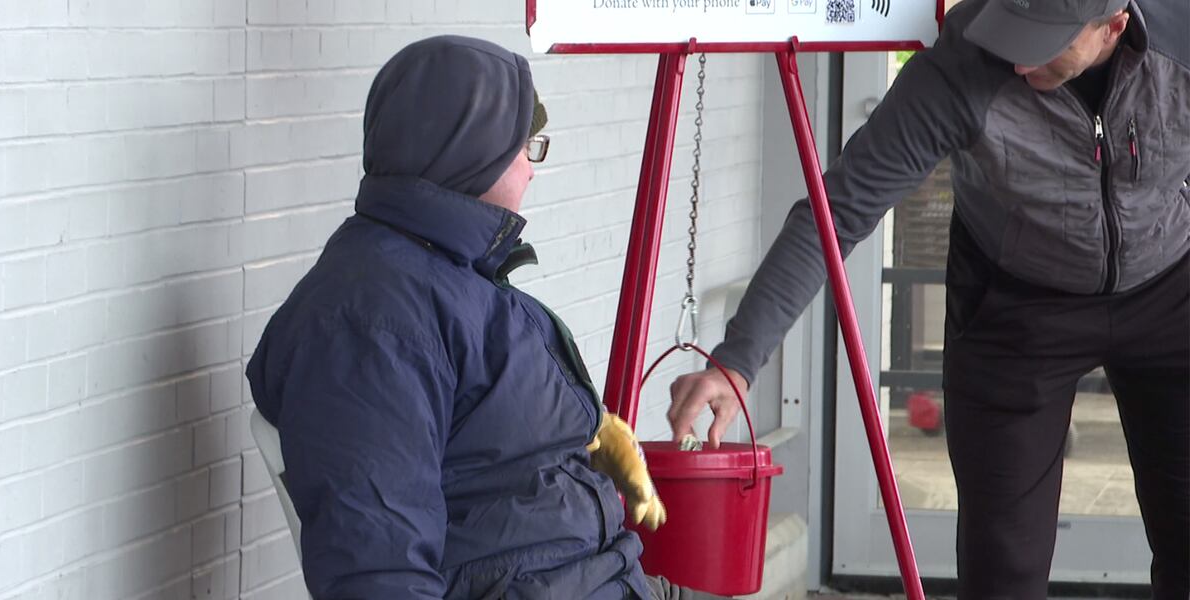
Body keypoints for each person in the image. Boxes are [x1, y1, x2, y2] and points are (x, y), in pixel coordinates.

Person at [667, 0, 1189, 597]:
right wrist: (737, 361)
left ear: (1114, 26)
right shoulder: (962, 66)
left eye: (1040, 43)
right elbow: (834, 214)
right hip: (1014, 305)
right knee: (1001, 572)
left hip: (1169, 288)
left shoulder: (1181, 44)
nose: (1016, 65)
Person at [246, 35, 731, 600]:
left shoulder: (442, 274)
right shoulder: (371, 324)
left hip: (597, 577)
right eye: (527, 146)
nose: (532, 169)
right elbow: (378, 568)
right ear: (467, 151)